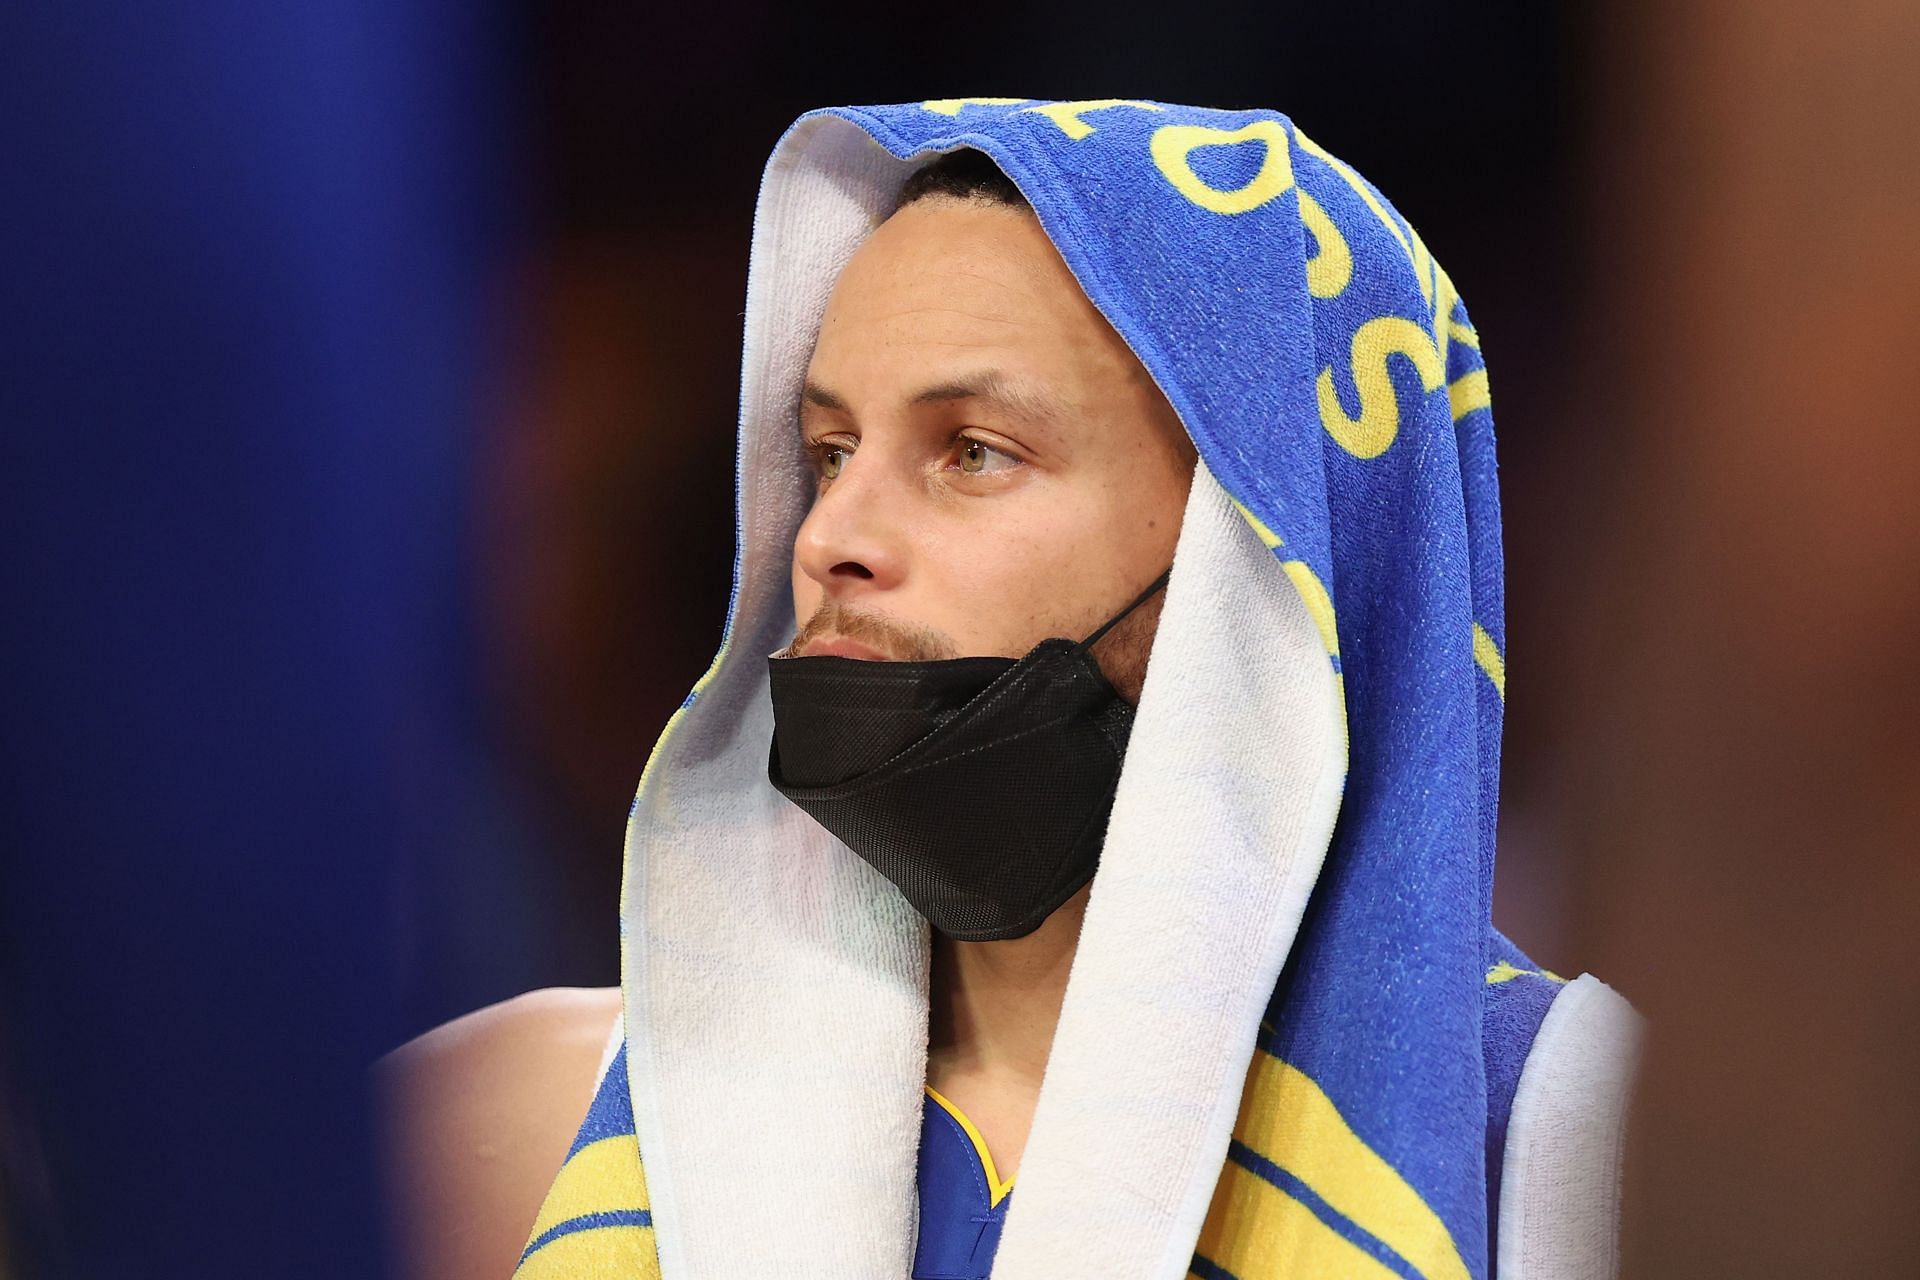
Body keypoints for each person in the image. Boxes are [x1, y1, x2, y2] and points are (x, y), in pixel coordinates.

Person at [381, 99, 1642, 1280]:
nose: (829, 537)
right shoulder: (505, 1128)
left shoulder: (1588, 1154)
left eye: (973, 450)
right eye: (829, 451)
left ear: (1252, 562)